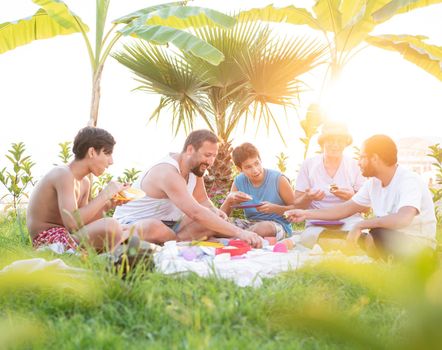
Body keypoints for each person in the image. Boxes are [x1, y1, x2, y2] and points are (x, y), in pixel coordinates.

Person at [285, 134, 437, 259]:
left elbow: (403, 219)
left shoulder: (408, 180)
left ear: (375, 159)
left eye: (362, 157)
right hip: (386, 239)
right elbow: (344, 209)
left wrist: (361, 225)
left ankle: (367, 249)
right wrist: (305, 214)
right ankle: (363, 248)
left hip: (418, 248)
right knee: (322, 237)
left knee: (377, 234)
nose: (359, 163)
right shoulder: (373, 183)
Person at [113, 130, 262, 248]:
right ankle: (175, 242)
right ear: (190, 149)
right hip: (135, 223)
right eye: (207, 155)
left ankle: (173, 242)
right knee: (155, 227)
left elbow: (202, 201)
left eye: (214, 156)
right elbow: (195, 212)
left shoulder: (195, 170)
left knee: (212, 217)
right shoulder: (168, 172)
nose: (210, 162)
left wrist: (217, 212)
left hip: (172, 227)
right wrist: (239, 232)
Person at [27, 127, 129, 252]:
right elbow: (72, 223)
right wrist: (105, 194)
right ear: (91, 152)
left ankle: (108, 256)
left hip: (68, 236)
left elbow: (82, 224)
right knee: (112, 226)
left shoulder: (85, 182)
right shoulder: (63, 174)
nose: (111, 161)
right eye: (107, 153)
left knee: (125, 228)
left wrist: (108, 205)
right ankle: (108, 257)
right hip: (49, 240)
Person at [293, 121, 365, 247]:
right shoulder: (309, 165)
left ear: (346, 143)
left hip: (348, 221)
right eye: (331, 140)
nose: (335, 145)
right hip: (318, 223)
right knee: (309, 236)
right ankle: (345, 243)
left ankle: (339, 242)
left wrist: (352, 197)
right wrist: (308, 197)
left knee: (354, 230)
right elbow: (297, 204)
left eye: (340, 141)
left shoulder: (355, 166)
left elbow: (366, 207)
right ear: (322, 142)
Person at [220, 142, 294, 239]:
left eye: (256, 163)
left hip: (277, 226)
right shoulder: (239, 181)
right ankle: (243, 237)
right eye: (248, 167)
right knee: (217, 224)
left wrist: (275, 208)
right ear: (239, 169)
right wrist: (229, 199)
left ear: (260, 160)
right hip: (251, 225)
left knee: (263, 228)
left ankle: (238, 238)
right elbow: (221, 216)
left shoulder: (278, 179)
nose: (255, 170)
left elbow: (297, 209)